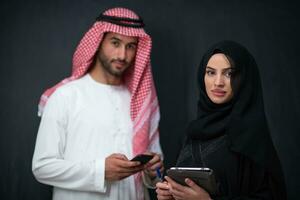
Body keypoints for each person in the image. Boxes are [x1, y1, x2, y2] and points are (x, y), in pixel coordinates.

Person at [32, 7, 163, 200]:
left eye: (131, 46)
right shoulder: (66, 96)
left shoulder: (142, 102)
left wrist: (153, 174)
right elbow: (42, 167)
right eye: (115, 43)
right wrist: (100, 171)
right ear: (98, 42)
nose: (122, 55)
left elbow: (155, 169)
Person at [156, 41, 287, 200]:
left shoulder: (251, 137)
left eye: (229, 74)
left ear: (244, 79)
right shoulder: (190, 133)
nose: (218, 82)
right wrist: (168, 194)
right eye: (211, 72)